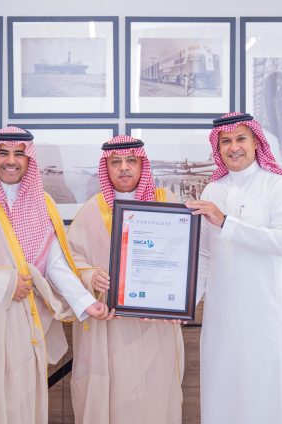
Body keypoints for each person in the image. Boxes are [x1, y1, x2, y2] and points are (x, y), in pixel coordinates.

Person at [0, 126, 112, 424]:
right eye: (3, 153)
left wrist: (86, 303)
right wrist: (6, 282)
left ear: (29, 159)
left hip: (23, 321)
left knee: (19, 399)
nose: (11, 161)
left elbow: (54, 263)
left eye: (19, 154)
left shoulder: (42, 202)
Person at [187, 113, 282, 424]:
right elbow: (204, 256)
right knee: (223, 394)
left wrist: (226, 222)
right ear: (218, 148)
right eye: (225, 141)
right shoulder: (212, 191)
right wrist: (182, 306)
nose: (233, 147)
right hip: (222, 318)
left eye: (241, 139)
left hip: (267, 316)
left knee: (269, 397)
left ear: (256, 142)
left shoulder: (280, 185)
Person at [67, 135, 184, 424]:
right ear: (105, 168)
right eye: (115, 162)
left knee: (155, 393)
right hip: (110, 325)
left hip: (156, 324)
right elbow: (70, 260)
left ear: (142, 165)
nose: (124, 168)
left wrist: (182, 299)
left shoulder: (166, 202)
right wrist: (90, 275)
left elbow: (183, 255)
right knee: (115, 395)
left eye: (131, 160)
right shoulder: (92, 210)